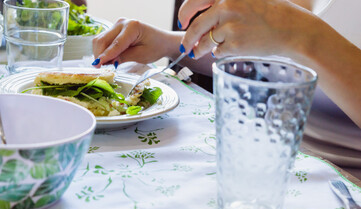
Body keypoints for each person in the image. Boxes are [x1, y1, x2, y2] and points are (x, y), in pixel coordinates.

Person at [91, 0, 361, 129]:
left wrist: (301, 33)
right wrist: (169, 44)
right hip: (252, 141)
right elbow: (276, 62)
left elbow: (293, 38)